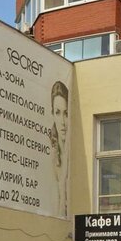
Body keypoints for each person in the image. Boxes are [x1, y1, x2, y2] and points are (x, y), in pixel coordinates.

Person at [50, 81, 69, 218]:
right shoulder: (53, 156)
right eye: (57, 113)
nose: (62, 121)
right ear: (52, 114)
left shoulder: (72, 153)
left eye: (66, 113)